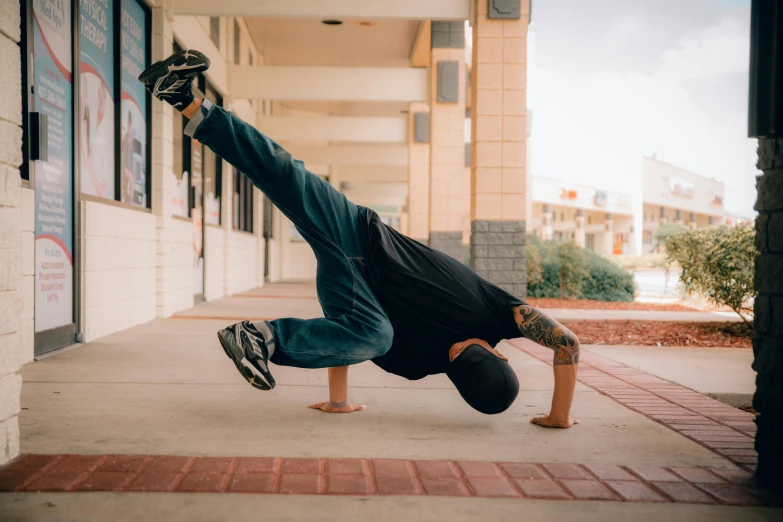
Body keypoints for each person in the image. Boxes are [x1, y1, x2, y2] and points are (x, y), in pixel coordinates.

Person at [139, 50, 581, 428]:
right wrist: (558, 417)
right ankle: (182, 96)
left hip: (350, 282)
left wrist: (338, 401)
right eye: (470, 348)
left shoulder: (420, 362)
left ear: (453, 373)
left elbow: (347, 336)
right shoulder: (501, 315)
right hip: (359, 233)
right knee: (282, 173)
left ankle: (261, 338)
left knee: (377, 335)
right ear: (501, 355)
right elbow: (568, 342)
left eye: (455, 356)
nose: (457, 345)